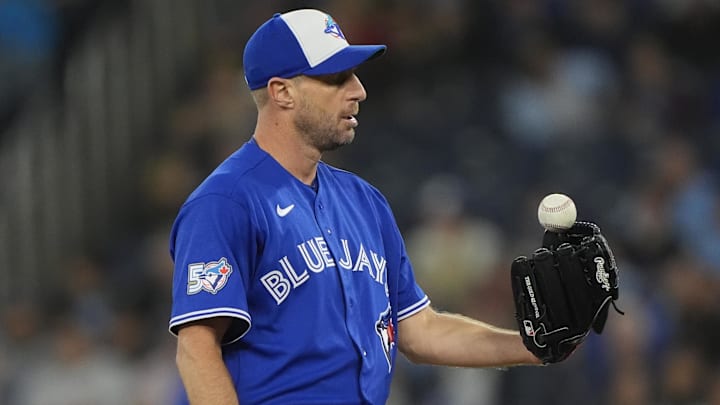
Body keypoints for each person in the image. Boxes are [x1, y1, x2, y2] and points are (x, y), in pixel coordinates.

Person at [168, 8, 542, 405]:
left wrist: (535, 345)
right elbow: (197, 348)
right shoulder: (226, 202)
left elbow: (420, 329)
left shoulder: (365, 201)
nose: (359, 90)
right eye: (336, 78)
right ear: (282, 92)